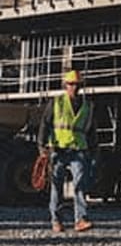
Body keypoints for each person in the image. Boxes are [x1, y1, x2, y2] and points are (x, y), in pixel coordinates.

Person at [37, 69, 94, 233]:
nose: (74, 87)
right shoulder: (56, 103)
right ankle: (56, 220)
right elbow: (45, 124)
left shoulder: (88, 106)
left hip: (78, 149)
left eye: (77, 84)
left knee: (80, 185)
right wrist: (42, 147)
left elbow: (91, 131)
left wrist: (93, 150)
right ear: (65, 85)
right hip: (58, 149)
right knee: (57, 187)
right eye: (71, 84)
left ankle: (81, 220)